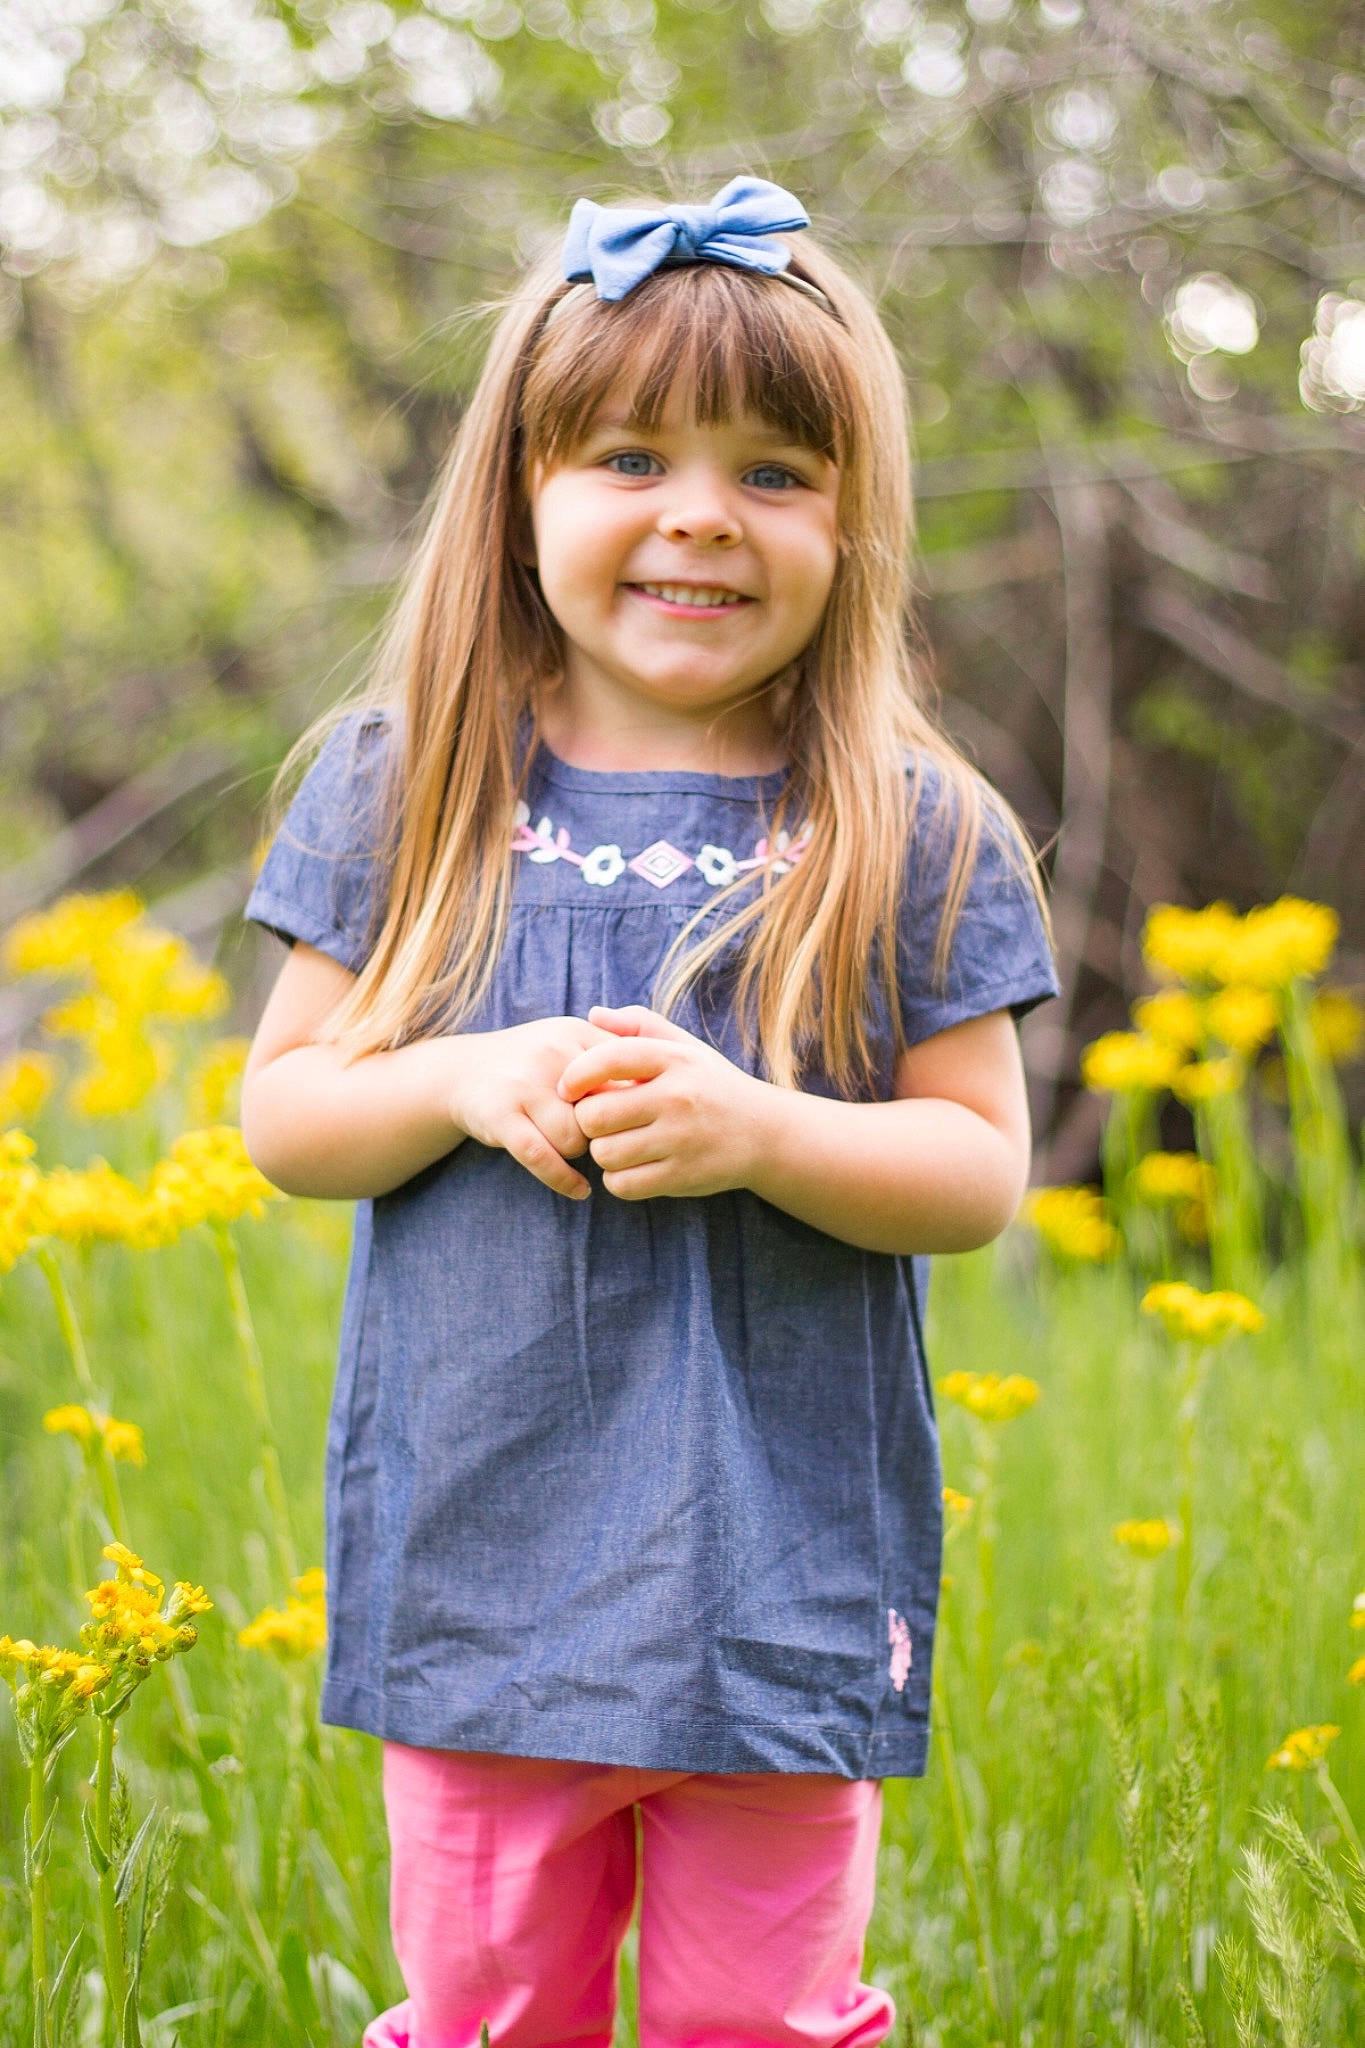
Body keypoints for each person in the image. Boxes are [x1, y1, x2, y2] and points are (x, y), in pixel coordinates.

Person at [240, 175, 1060, 2048]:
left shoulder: (906, 824)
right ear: (520, 492)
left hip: (770, 1591)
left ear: (852, 526)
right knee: (486, 2016)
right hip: (483, 1588)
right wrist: (452, 1078)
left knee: (756, 2025)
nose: (700, 511)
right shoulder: (408, 788)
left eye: (775, 471)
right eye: (627, 454)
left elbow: (973, 1169)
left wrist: (764, 1133)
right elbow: (285, 1114)